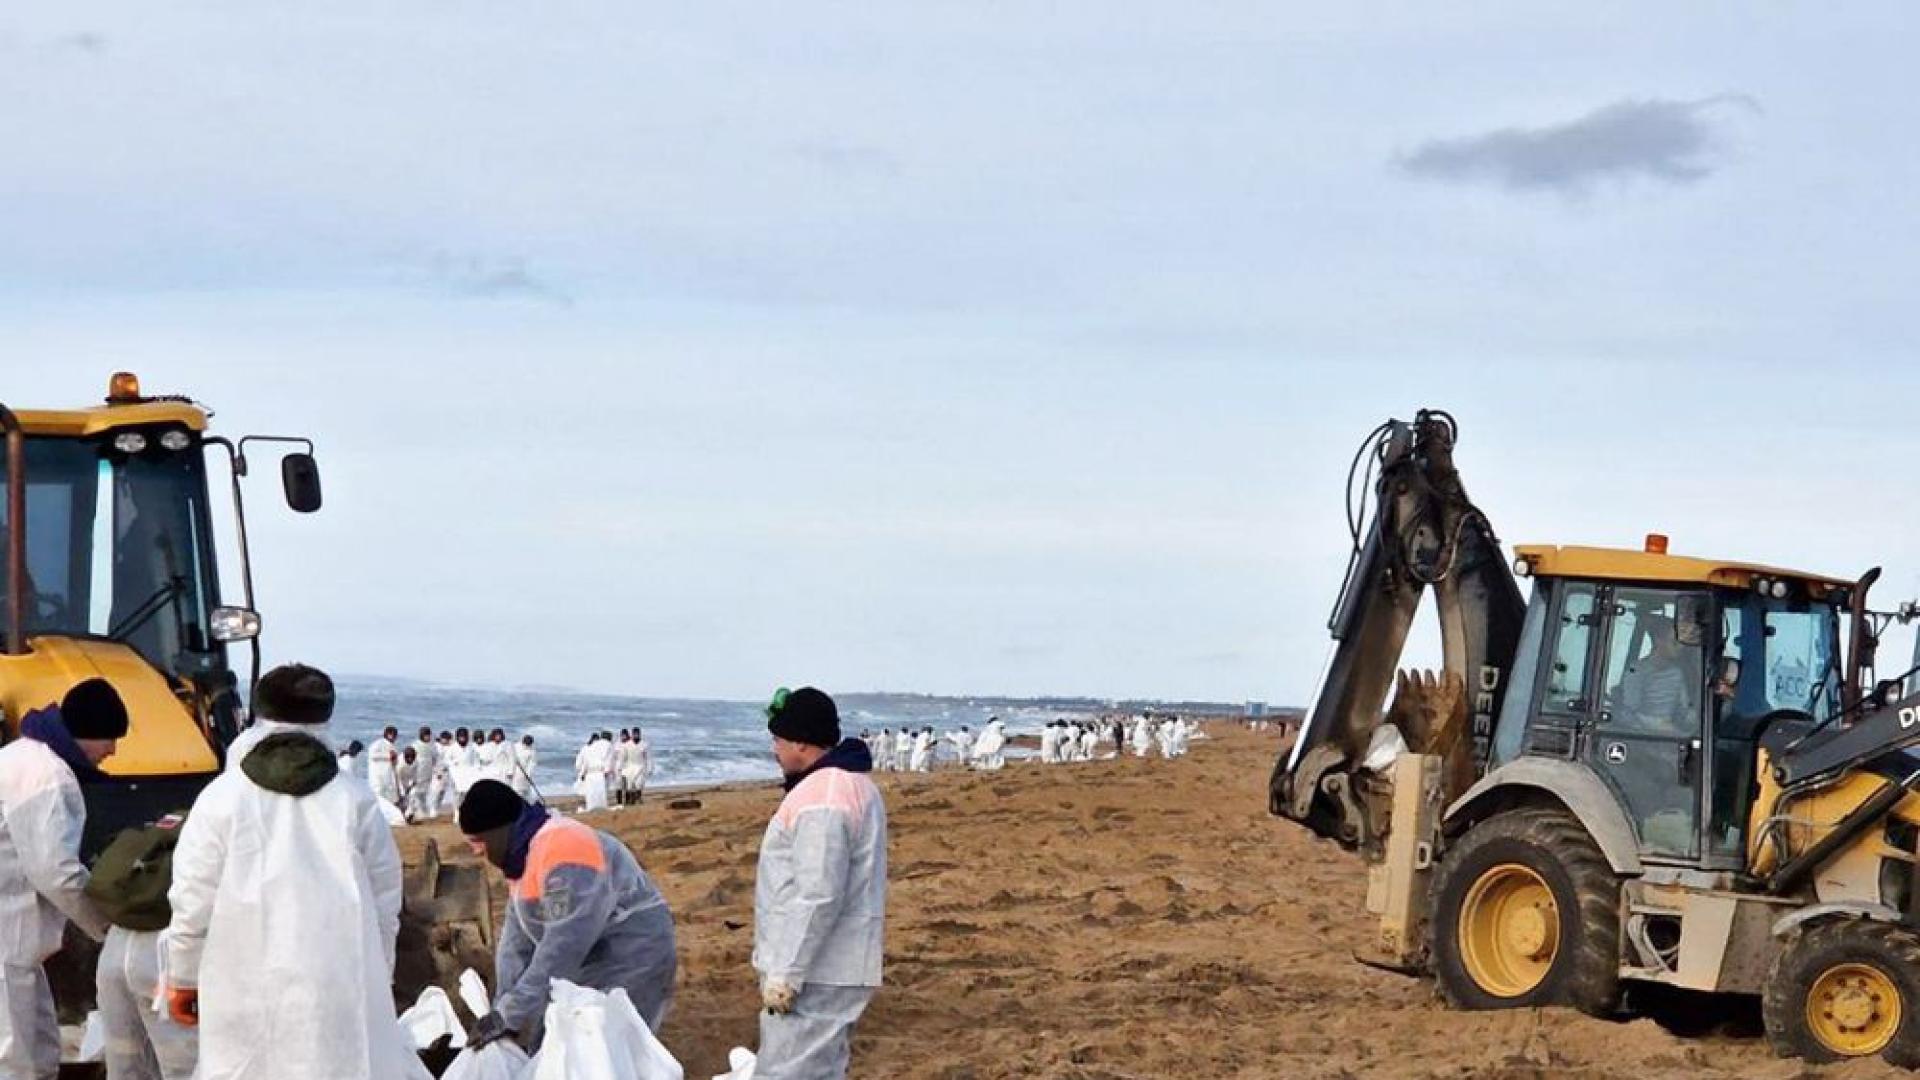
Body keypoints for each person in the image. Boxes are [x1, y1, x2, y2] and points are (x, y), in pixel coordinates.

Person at [165, 664, 430, 1080]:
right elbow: (384, 903)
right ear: (325, 718)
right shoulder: (355, 800)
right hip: (338, 981)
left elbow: (193, 900)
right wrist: (379, 974)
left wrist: (182, 975)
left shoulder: (222, 797)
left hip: (241, 979)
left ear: (259, 715)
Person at [459, 780, 677, 1047]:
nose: (476, 851)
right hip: (589, 959)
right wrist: (500, 1010)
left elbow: (564, 945)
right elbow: (515, 945)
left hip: (633, 956)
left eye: (478, 842)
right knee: (548, 1043)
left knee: (603, 1051)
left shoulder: (566, 851)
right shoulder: (522, 859)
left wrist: (510, 1014)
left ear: (499, 832)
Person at [754, 688, 886, 1080]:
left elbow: (819, 893)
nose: (774, 750)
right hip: (829, 963)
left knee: (786, 1072)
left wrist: (785, 976)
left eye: (777, 740)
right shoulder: (846, 784)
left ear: (800, 742)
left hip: (818, 969)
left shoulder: (825, 796)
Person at [0, 679, 124, 1078]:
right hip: (9, 934)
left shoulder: (20, 756)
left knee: (37, 1047)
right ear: (86, 733)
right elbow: (56, 871)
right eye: (109, 738)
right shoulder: (46, 776)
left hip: (18, 943)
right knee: (16, 1056)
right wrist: (106, 925)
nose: (112, 751)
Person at [93, 814, 197, 1080]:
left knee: (125, 1065)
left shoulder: (163, 831)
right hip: (168, 959)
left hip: (115, 951)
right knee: (186, 1067)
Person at [1618, 616, 1699, 735]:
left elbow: (1684, 709)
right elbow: (1628, 712)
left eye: (1681, 643)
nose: (1680, 647)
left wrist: (1695, 721)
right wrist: (1657, 725)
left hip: (1671, 735)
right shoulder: (1636, 671)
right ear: (1658, 640)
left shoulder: (1677, 673)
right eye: (1674, 642)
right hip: (1641, 737)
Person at [367, 726, 402, 809]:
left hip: (388, 775)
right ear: (388, 734)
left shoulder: (393, 747)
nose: (395, 737)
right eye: (393, 735)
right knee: (378, 793)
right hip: (377, 775)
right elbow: (372, 755)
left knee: (389, 796)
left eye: (395, 735)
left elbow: (395, 762)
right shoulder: (378, 743)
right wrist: (388, 756)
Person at [575, 734, 612, 812]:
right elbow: (607, 761)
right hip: (598, 772)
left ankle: (592, 806)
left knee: (591, 793)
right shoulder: (602, 749)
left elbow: (582, 763)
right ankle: (600, 806)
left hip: (591, 773)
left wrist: (583, 773)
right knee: (599, 792)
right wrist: (606, 771)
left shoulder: (586, 748)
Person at [411, 727, 441, 820]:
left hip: (428, 770)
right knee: (416, 791)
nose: (427, 737)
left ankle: (424, 810)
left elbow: (436, 758)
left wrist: (437, 770)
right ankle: (417, 810)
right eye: (425, 735)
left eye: (428, 735)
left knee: (426, 791)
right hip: (418, 769)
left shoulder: (432, 745)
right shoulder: (415, 745)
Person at [398, 746, 429, 822]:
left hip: (409, 780)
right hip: (399, 780)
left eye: (412, 757)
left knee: (413, 794)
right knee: (401, 799)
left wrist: (411, 785)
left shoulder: (416, 762)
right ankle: (402, 816)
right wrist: (402, 790)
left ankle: (409, 814)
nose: (410, 759)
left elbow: (415, 775)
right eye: (408, 758)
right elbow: (397, 778)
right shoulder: (400, 763)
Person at [623, 728, 651, 806]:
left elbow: (648, 757)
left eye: (637, 734)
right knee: (629, 785)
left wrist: (649, 768)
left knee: (639, 784)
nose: (635, 735)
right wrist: (621, 767)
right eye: (634, 734)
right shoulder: (627, 745)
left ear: (639, 734)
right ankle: (629, 800)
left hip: (640, 766)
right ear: (632, 734)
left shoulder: (645, 744)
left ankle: (638, 798)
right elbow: (623, 757)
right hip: (630, 766)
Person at [510, 735, 539, 801]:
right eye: (526, 744)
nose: (526, 745)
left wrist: (528, 775)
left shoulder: (532, 752)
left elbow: (532, 765)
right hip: (514, 772)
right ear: (523, 741)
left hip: (523, 774)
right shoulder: (514, 746)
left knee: (524, 791)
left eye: (528, 744)